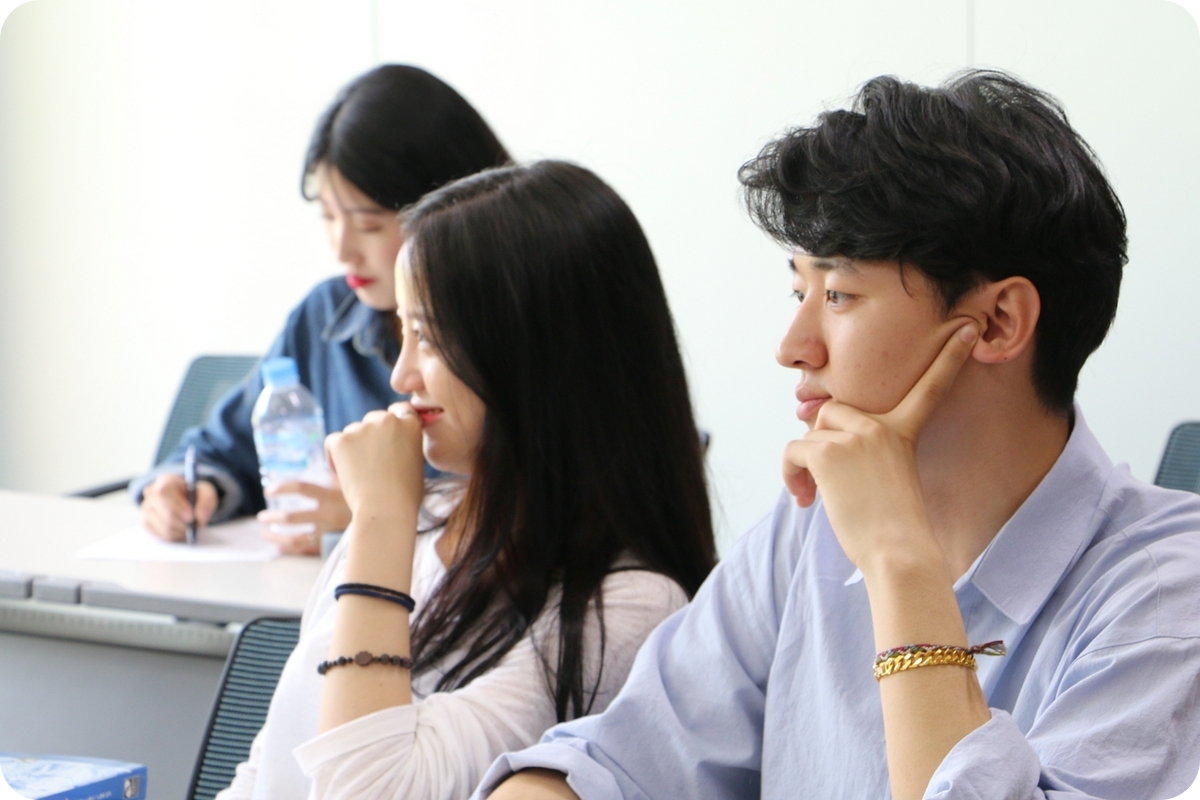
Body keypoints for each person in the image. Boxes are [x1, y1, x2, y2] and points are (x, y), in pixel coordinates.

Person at [477, 71, 1200, 800]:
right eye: (800, 291)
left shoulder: (1170, 593)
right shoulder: (811, 532)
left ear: (996, 323)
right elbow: (610, 765)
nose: (793, 347)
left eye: (839, 294)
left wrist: (898, 558)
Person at [215, 160, 717, 799]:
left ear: (533, 353)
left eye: (428, 336)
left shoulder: (627, 608)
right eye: (402, 331)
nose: (400, 376)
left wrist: (381, 520)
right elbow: (266, 770)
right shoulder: (423, 521)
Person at [131, 64, 509, 555]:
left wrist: (380, 516)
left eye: (370, 225)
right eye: (328, 217)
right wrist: (190, 487)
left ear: (459, 205)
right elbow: (224, 449)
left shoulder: (516, 327)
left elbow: (543, 508)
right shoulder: (327, 315)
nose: (342, 249)